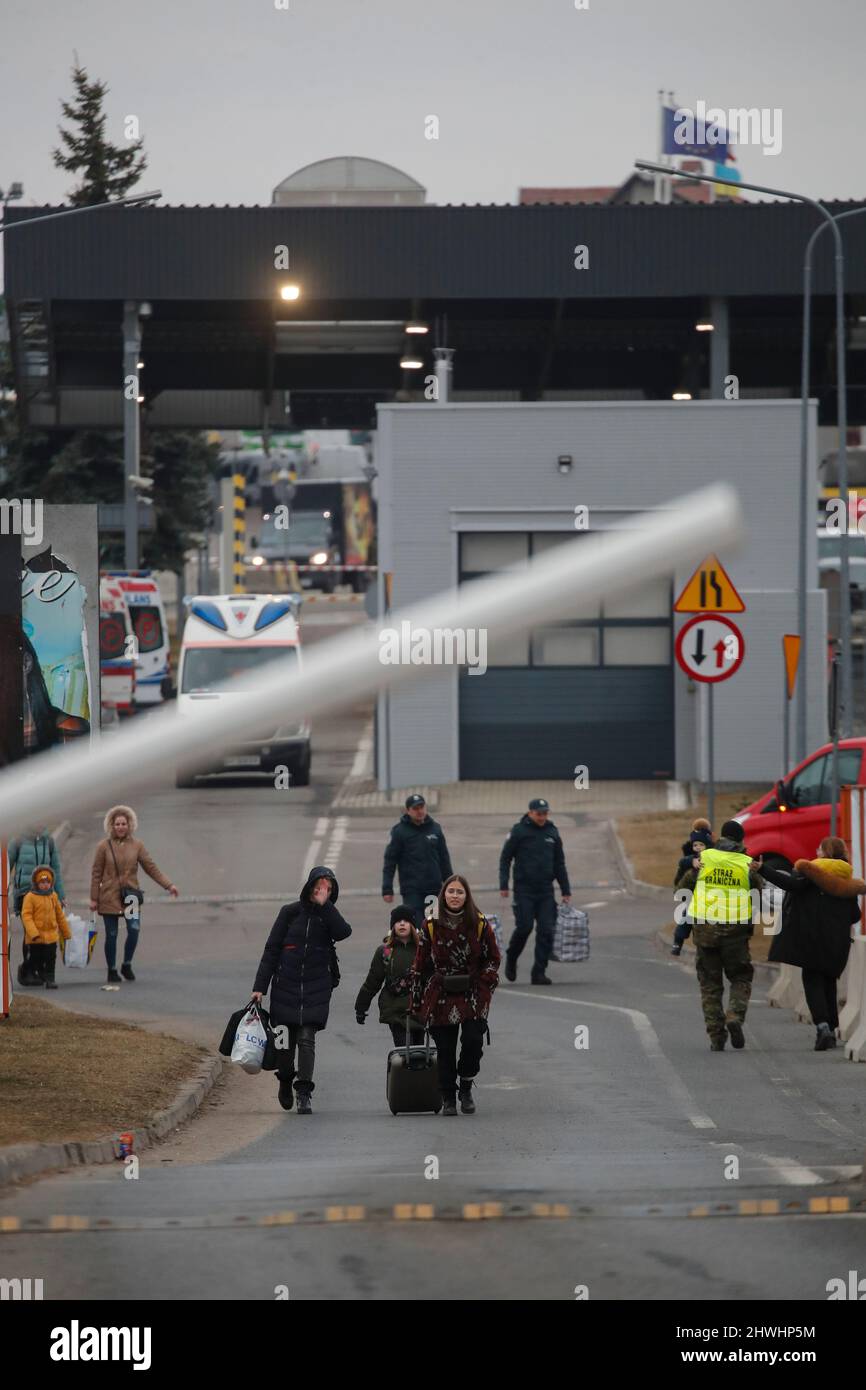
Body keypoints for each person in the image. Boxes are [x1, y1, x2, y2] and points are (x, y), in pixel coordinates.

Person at [252, 866, 352, 1115]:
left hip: (315, 988)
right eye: (319, 887)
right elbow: (271, 951)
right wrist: (259, 988)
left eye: (328, 888)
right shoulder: (289, 913)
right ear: (309, 887)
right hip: (285, 986)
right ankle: (285, 1079)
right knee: (285, 1044)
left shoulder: (328, 916)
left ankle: (304, 1091)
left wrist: (326, 906)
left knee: (307, 1038)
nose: (322, 892)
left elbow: (343, 932)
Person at [760, 837, 864, 1051]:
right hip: (837, 942)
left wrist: (762, 868)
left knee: (812, 980)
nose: (816, 851)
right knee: (829, 981)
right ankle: (832, 1028)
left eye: (819, 848)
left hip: (810, 938)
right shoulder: (845, 879)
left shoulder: (809, 872)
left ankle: (823, 1026)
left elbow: (788, 884)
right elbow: (855, 915)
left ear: (825, 852)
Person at [409, 873, 500, 1116]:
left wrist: (486, 982)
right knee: (445, 1048)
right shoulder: (430, 924)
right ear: (443, 895)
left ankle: (466, 1087)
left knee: (473, 1041)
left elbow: (493, 957)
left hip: (473, 992)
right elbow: (420, 964)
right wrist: (416, 1002)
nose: (455, 896)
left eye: (460, 892)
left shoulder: (479, 923)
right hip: (440, 993)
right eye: (451, 892)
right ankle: (448, 1096)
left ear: (467, 896)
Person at [679, 819, 763, 1051]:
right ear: (741, 840)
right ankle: (734, 1016)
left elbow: (682, 889)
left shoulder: (704, 859)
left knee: (710, 985)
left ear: (719, 837)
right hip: (735, 931)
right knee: (741, 977)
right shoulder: (747, 864)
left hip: (705, 931)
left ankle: (716, 1036)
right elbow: (759, 894)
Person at [90, 805, 179, 985]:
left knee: (134, 929)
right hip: (108, 896)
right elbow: (96, 873)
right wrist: (94, 898)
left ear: (129, 824)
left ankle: (127, 964)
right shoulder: (103, 846)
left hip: (130, 897)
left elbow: (151, 868)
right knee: (112, 934)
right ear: (112, 826)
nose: (121, 827)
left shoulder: (137, 845)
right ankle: (112, 970)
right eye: (117, 824)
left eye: (124, 823)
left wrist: (169, 885)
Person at [499, 797, 571, 985]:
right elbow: (505, 858)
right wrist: (504, 884)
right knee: (524, 927)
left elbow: (559, 863)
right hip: (524, 889)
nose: (542, 817)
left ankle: (539, 971)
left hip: (546, 890)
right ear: (530, 813)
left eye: (545, 813)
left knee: (546, 930)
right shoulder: (519, 831)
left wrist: (565, 889)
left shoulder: (552, 832)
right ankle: (512, 957)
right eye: (539, 814)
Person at [355, 905, 424, 1046]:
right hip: (395, 1010)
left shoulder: (423, 950)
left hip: (419, 1009)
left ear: (413, 926)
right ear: (393, 927)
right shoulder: (385, 952)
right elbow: (372, 982)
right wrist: (361, 1007)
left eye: (406, 921)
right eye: (398, 921)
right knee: (405, 1049)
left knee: (419, 1052)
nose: (402, 924)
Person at [9, 828, 66, 986]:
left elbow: (56, 868)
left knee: (45, 931)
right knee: (31, 932)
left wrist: (60, 894)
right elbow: (6, 865)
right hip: (24, 893)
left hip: (46, 895)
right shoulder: (18, 840)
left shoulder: (49, 841)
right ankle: (27, 970)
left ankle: (40, 970)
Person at [382, 794, 453, 919]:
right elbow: (390, 861)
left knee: (433, 925)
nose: (419, 811)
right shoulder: (400, 832)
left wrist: (451, 883)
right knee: (417, 926)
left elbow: (444, 858)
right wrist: (387, 888)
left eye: (422, 807)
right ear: (408, 811)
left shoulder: (435, 829)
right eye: (415, 808)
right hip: (412, 890)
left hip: (433, 888)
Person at [21, 866, 70, 989]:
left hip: (51, 936)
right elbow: (26, 916)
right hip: (36, 937)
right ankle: (25, 969)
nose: (45, 885)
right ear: (37, 883)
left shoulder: (53, 896)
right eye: (42, 882)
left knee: (50, 958)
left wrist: (66, 932)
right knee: (36, 958)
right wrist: (33, 932)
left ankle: (50, 979)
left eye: (47, 882)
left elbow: (60, 916)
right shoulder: (30, 897)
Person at [671, 819, 715, 956]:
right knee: (685, 918)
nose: (697, 847)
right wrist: (691, 861)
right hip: (693, 896)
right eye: (695, 845)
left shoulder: (714, 857)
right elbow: (682, 863)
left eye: (701, 845)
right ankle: (677, 942)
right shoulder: (691, 859)